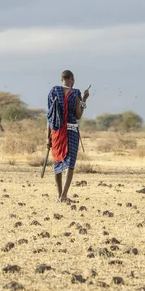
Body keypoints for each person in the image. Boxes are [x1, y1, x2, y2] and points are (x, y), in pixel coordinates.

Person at [47, 70, 90, 203]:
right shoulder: (75, 93)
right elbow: (78, 115)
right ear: (71, 79)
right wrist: (84, 99)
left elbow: (50, 116)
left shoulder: (53, 91)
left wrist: (48, 137)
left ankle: (59, 195)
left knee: (58, 162)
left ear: (62, 79)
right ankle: (64, 195)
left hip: (57, 131)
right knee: (70, 164)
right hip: (71, 130)